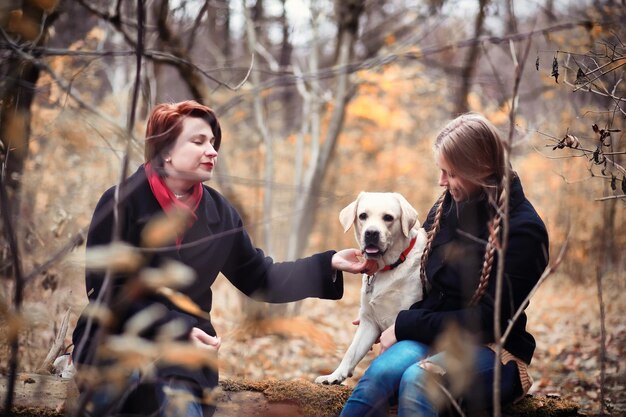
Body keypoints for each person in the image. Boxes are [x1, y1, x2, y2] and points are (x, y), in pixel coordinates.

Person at [71, 100, 371, 417]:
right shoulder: (121, 201)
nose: (212, 151)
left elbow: (261, 278)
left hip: (186, 357)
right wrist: (176, 327)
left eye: (213, 143)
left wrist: (329, 263)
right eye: (199, 141)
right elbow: (107, 290)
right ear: (166, 151)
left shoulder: (220, 212)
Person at [340, 113, 549, 417]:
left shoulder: (524, 230)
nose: (441, 182)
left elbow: (487, 320)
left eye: (450, 173)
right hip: (431, 336)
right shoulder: (446, 207)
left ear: (480, 169)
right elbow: (418, 273)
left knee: (419, 380)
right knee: (379, 377)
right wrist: (383, 310)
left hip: (491, 350)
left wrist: (406, 324)